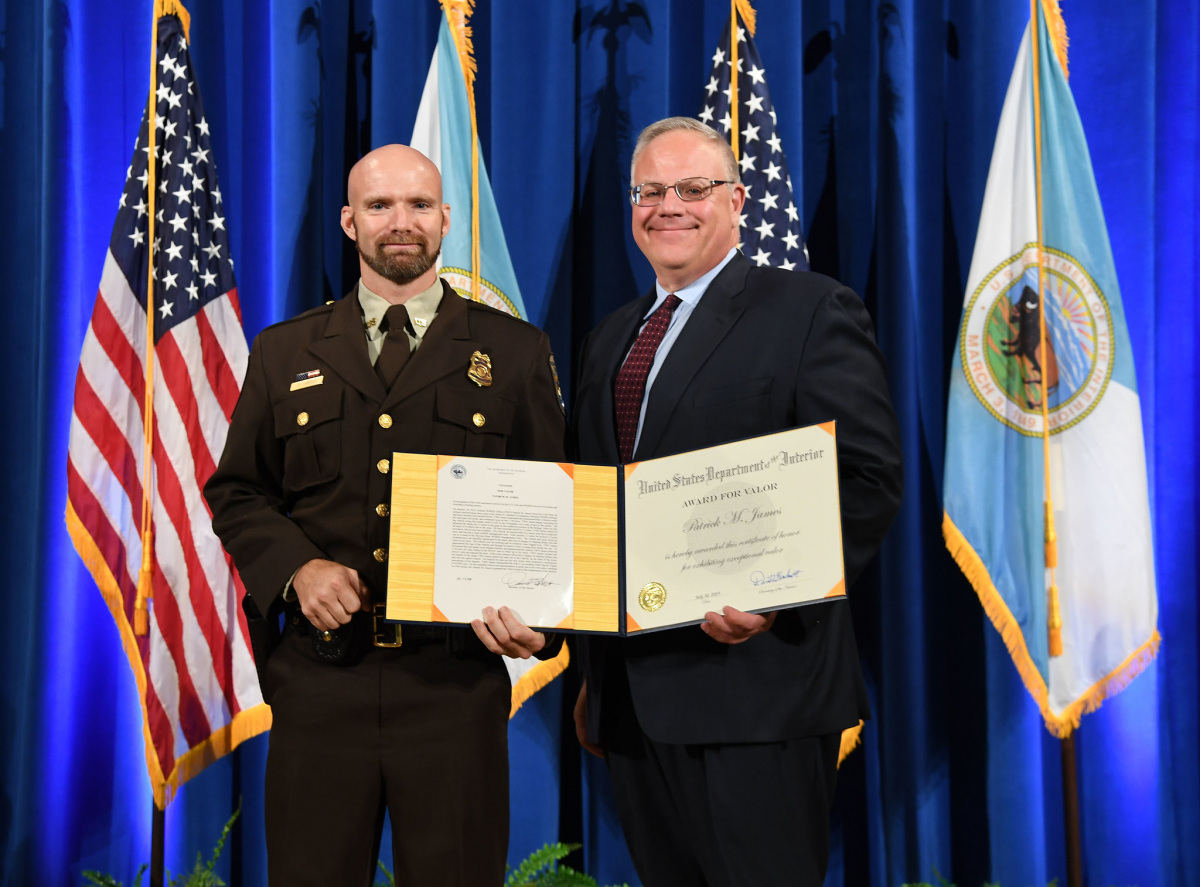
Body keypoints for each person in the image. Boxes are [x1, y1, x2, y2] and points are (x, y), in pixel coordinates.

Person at [204, 144, 567, 886]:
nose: (400, 222)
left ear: (444, 219)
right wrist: (295, 566)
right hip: (319, 681)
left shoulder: (515, 352)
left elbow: (553, 505)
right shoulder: (283, 352)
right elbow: (237, 491)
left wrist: (541, 616)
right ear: (348, 221)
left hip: (454, 687)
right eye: (379, 206)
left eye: (418, 205)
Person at [571, 117, 903, 886]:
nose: (669, 206)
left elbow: (867, 477)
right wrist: (588, 662)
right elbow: (597, 499)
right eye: (649, 191)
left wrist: (773, 596)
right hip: (629, 697)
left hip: (756, 688)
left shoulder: (810, 311)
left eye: (693, 188)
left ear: (738, 200)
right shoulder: (613, 335)